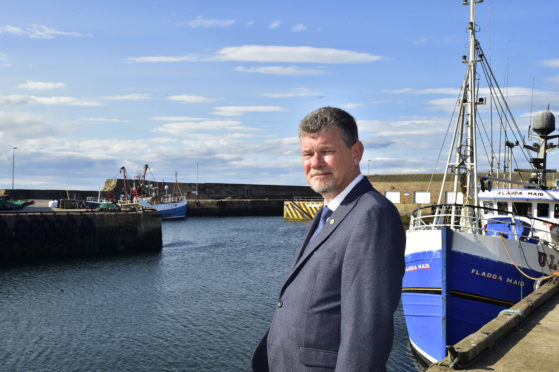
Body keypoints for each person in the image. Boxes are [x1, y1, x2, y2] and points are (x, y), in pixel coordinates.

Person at [252, 106, 405, 372]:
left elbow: (365, 334)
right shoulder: (330, 211)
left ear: (356, 153)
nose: (315, 163)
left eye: (326, 152)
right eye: (307, 154)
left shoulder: (372, 215)